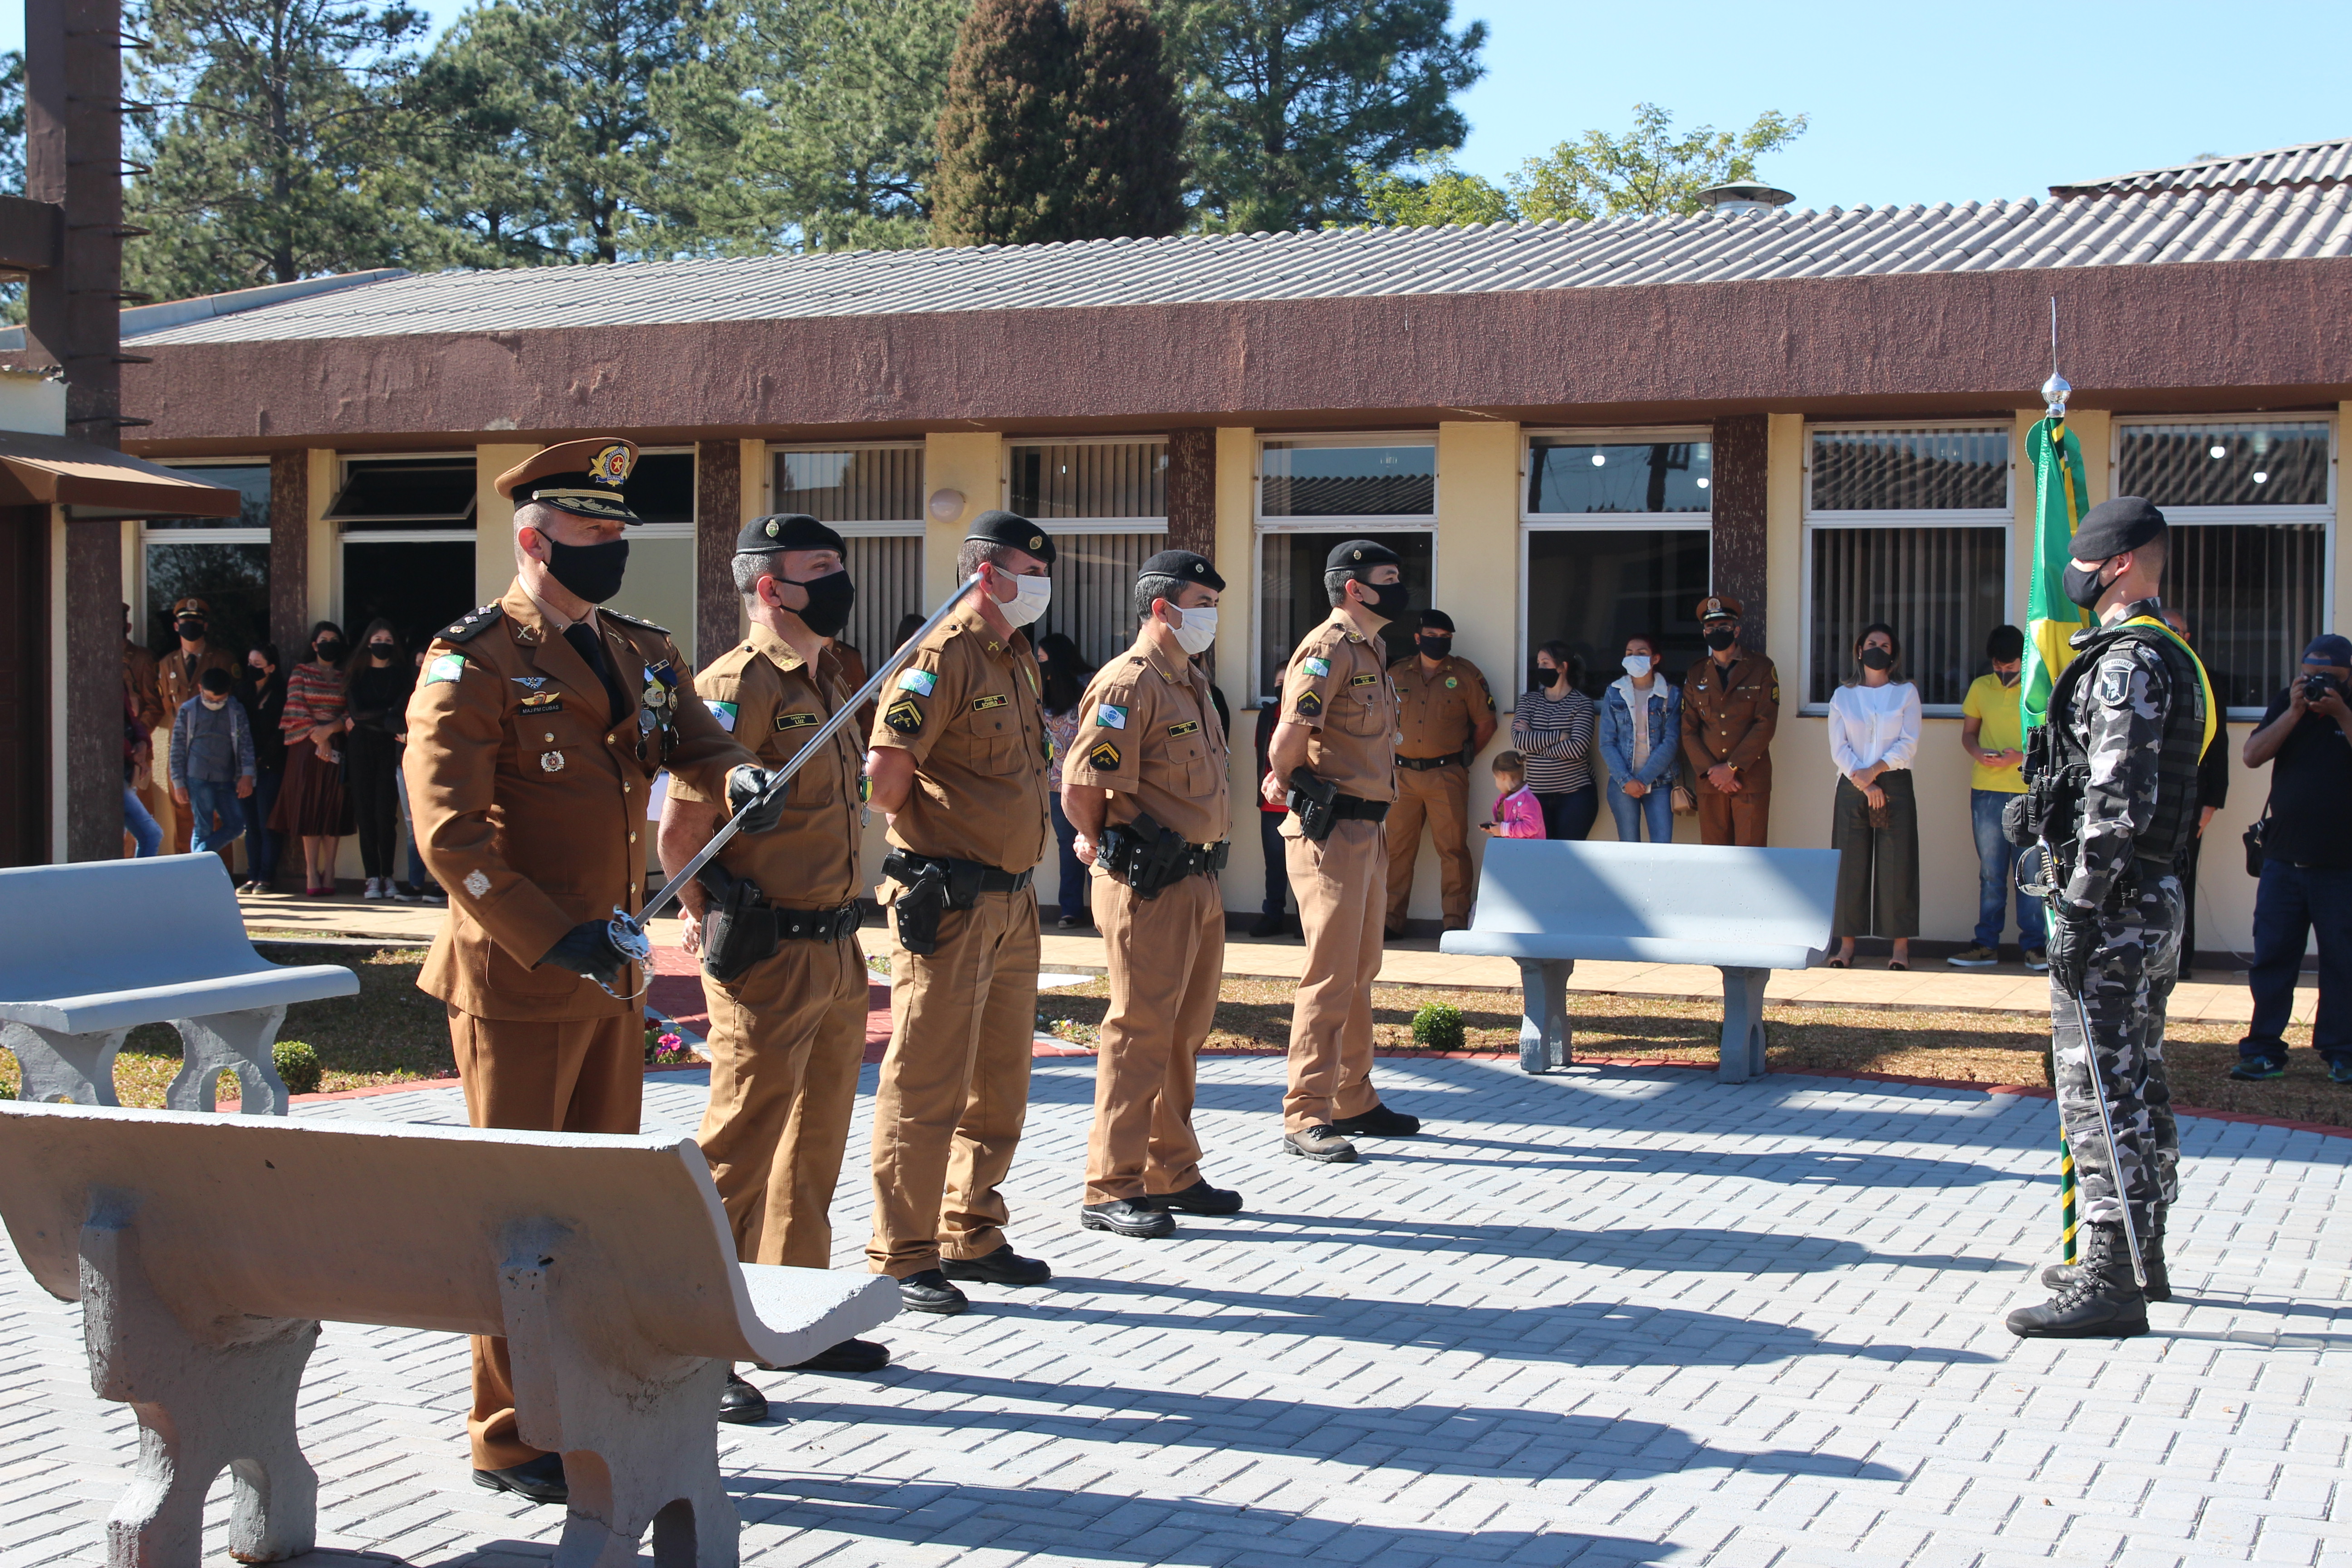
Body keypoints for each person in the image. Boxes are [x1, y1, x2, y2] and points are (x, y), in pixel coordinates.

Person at [404, 438, 770, 1499]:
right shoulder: (471, 657)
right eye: (592, 534)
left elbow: (694, 744)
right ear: (533, 538)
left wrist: (737, 771)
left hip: (606, 968)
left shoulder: (638, 647)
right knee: (519, 1213)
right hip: (517, 976)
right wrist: (539, 930)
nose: (613, 548)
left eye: (619, 533)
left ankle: (581, 1398)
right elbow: (449, 835)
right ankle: (512, 1428)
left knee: (587, 1206)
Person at [661, 512, 889, 1426]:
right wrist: (713, 925)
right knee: (739, 1154)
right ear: (770, 588)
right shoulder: (734, 685)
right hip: (766, 950)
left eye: (839, 562)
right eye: (819, 568)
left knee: (814, 1147)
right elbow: (680, 833)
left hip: (836, 946)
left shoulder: (833, 675)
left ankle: (794, 1314)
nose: (839, 580)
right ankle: (697, 1336)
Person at [2007, 496, 2212, 1339]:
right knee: (2136, 1077)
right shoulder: (2158, 654)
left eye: (2087, 559)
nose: (2075, 574)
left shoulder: (2128, 662)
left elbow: (2116, 797)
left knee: (2097, 1090)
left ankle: (2109, 1278)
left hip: (2115, 907)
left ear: (2118, 563)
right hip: (2146, 899)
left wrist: (2082, 904)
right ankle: (2139, 1251)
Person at [862, 510, 1057, 1315]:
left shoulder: (1016, 657)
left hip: (1012, 899)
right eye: (1027, 571)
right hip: (947, 897)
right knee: (926, 1078)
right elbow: (885, 773)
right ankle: (901, 1253)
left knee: (1000, 1078)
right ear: (985, 574)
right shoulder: (938, 658)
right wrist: (925, 848)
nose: (1041, 587)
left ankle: (968, 1228)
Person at [1060, 548, 1240, 1239]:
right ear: (1162, 608)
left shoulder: (1189, 680)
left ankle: (1172, 1170)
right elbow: (1081, 789)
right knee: (1138, 1033)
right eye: (1202, 604)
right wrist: (1107, 838)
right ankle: (1112, 1185)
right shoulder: (1129, 683)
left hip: (1200, 878)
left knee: (1184, 1032)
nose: (1212, 617)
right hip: (1149, 884)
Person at [1260, 538, 1420, 1163]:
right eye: (1389, 577)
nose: (1399, 587)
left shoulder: (1372, 648)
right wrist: (1295, 783)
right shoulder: (1327, 649)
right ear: (1354, 588)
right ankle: (1306, 1114)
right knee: (1329, 975)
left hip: (1368, 830)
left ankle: (1354, 1095)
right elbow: (1286, 746)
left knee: (1359, 970)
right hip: (1332, 833)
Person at [2229, 632, 2352, 1083]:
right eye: (2309, 675)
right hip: (2284, 862)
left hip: (2341, 866)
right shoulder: (2290, 702)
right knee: (2273, 957)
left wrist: (2340, 712)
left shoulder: (2348, 706)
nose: (2317, 683)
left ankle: (2342, 1052)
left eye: (2329, 678)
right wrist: (2296, 711)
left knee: (2343, 962)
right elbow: (2251, 755)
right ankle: (2263, 1049)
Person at [1383, 609, 1496, 936]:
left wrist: (1465, 758)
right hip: (1402, 776)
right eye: (1431, 637)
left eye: (1445, 638)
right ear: (1418, 638)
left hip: (1446, 775)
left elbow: (1486, 723)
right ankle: (1390, 921)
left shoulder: (1465, 675)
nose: (1438, 643)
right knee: (1397, 850)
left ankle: (1455, 922)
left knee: (1453, 849)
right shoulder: (1397, 673)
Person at [1826, 623, 1921, 970]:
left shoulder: (1906, 693)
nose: (1877, 649)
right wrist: (1865, 782)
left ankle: (1900, 949)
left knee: (1898, 864)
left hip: (1894, 782)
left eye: (1884, 644)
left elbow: (1908, 743)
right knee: (1851, 864)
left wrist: (1876, 772)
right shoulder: (1843, 696)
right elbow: (1839, 748)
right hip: (1853, 785)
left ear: (1893, 654)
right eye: (1871, 643)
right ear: (1859, 650)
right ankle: (1846, 946)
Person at [1951, 626, 2046, 970]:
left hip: (2028, 791)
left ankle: (2036, 947)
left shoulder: (2038, 689)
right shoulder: (1981, 687)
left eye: (2012, 666)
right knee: (1991, 873)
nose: (2005, 672)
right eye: (1999, 666)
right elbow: (1968, 735)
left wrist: (2018, 758)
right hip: (1987, 792)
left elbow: (2050, 741)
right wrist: (1978, 753)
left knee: (2031, 871)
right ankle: (1986, 944)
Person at [2161, 609, 2229, 981]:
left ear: (2188, 636)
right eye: (2165, 628)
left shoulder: (2206, 679)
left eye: (2177, 631)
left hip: (2190, 798)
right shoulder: (2143, 669)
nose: (2171, 635)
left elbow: (2219, 747)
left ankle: (2180, 960)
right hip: (2147, 797)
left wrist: (2213, 803)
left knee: (2181, 878)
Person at [1681, 596, 1779, 847]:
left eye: (1724, 627)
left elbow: (1765, 723)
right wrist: (1714, 772)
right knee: (1715, 860)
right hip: (1710, 781)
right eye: (1711, 628)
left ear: (1736, 630)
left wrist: (1732, 767)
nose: (1717, 632)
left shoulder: (1761, 667)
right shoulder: (1696, 673)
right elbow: (1689, 729)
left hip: (1750, 778)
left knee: (1753, 859)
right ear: (1705, 633)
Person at [270, 621, 354, 896]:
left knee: (333, 806)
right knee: (309, 807)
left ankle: (330, 871)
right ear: (315, 645)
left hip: (338, 744)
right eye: (324, 639)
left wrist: (330, 731)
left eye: (334, 639)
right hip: (306, 747)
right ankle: (311, 872)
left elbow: (351, 711)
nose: (329, 644)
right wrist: (318, 736)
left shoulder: (346, 675)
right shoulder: (301, 672)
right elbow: (295, 705)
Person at [156, 596, 240, 854]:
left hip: (215, 752)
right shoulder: (166, 663)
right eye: (184, 622)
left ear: (205, 626)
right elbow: (168, 708)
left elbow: (234, 704)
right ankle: (186, 877)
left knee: (217, 817)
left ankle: (218, 878)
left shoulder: (223, 660)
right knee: (182, 815)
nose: (190, 627)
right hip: (182, 752)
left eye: (196, 622)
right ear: (175, 627)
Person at [344, 621, 413, 900]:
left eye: (388, 638)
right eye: (377, 638)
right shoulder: (356, 673)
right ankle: (371, 877)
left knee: (386, 816)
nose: (382, 643)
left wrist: (379, 718)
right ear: (368, 642)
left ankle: (388, 876)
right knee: (365, 814)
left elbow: (400, 712)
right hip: (360, 748)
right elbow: (356, 712)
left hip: (390, 748)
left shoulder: (400, 675)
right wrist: (384, 717)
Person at [1036, 631, 1095, 930]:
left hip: (1091, 782)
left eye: (1043, 660)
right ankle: (1071, 909)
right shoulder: (1039, 689)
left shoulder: (1090, 684)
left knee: (1097, 844)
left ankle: (1101, 909)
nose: (1039, 665)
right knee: (1066, 847)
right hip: (1055, 782)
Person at [1598, 632, 1681, 844]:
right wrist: (1627, 781)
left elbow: (1671, 742)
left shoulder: (1672, 694)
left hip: (1660, 782)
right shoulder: (1614, 692)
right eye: (1629, 653)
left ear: (1655, 659)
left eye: (1642, 653)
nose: (1634, 657)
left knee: (1662, 849)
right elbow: (1607, 742)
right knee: (1629, 848)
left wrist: (1642, 781)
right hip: (1622, 782)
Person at [169, 666, 255, 867]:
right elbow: (178, 749)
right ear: (200, 689)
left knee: (236, 825)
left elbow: (246, 744)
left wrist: (248, 775)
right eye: (210, 699)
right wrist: (178, 783)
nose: (215, 703)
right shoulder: (189, 710)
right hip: (198, 778)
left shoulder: (235, 710)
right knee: (203, 828)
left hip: (226, 779)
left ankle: (197, 858)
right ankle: (198, 873)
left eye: (220, 699)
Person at [1511, 642, 1597, 840]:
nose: (1540, 668)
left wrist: (1534, 740)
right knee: (1542, 857)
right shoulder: (1528, 701)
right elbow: (1519, 740)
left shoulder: (1582, 703)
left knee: (1568, 857)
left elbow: (1577, 749)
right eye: (1539, 663)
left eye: (1546, 663)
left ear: (1562, 667)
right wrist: (1558, 736)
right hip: (1536, 796)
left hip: (1575, 796)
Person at [236, 645, 288, 892]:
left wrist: (264, 757)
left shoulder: (281, 693)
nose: (252, 668)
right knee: (251, 825)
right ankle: (252, 875)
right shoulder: (241, 693)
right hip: (244, 768)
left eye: (258, 664)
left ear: (271, 668)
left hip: (271, 765)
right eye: (250, 663)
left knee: (267, 822)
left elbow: (282, 730)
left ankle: (266, 877)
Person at [122, 604, 166, 857]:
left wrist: (141, 744)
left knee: (147, 831)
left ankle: (137, 884)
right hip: (117, 760)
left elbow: (140, 711)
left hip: (134, 760)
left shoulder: (141, 659)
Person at [1250, 701, 1296, 936]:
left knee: (1304, 865)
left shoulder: (1306, 709)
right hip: (1270, 806)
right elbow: (1261, 752)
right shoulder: (1268, 714)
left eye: (1284, 682)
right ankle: (1273, 916)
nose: (1281, 687)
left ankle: (1304, 920)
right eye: (1277, 683)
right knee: (1275, 866)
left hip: (1299, 805)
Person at [122, 682, 162, 858]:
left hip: (127, 770)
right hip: (111, 774)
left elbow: (130, 717)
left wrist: (143, 743)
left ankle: (137, 883)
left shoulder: (118, 678)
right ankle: (141, 884)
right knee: (151, 835)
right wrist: (134, 753)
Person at [1485, 751, 1544, 840]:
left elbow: (1532, 827)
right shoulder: (1504, 799)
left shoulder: (1527, 799)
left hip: (1528, 852)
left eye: (1495, 778)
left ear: (1503, 776)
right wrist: (1496, 827)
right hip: (1512, 850)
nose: (1496, 783)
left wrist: (1503, 830)